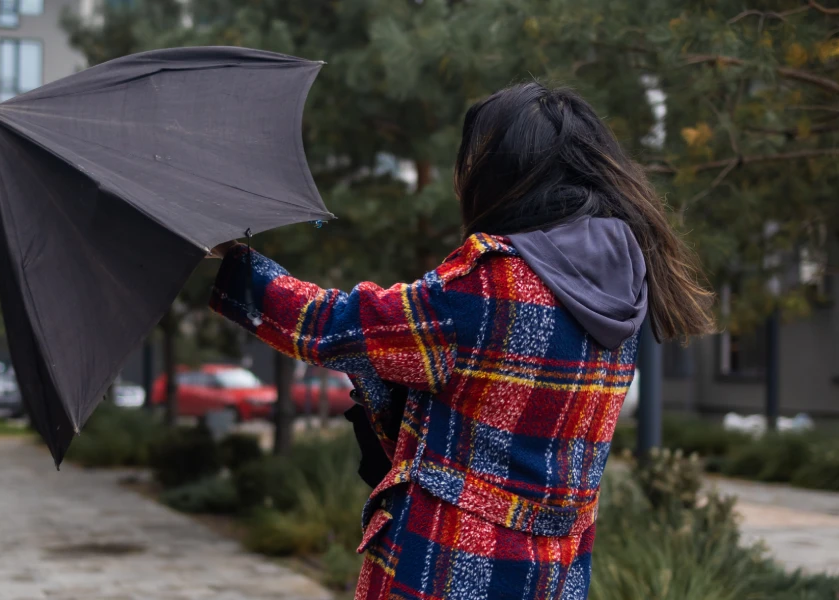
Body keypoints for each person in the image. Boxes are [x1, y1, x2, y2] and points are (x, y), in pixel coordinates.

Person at [208, 84, 713, 600]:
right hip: (554, 577)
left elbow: (333, 326)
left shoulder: (494, 280)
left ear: (504, 172)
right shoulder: (622, 281)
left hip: (448, 570)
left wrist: (234, 262)